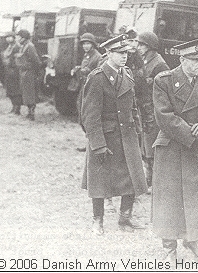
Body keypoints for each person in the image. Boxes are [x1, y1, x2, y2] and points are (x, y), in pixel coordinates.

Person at [152, 38, 198, 262]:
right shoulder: (163, 80)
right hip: (173, 147)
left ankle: (193, 240)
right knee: (170, 198)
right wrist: (191, 134)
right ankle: (169, 247)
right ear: (182, 59)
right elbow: (164, 117)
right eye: (195, 60)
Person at [81, 34, 148, 235]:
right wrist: (98, 143)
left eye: (126, 53)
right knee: (100, 180)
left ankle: (125, 218)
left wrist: (137, 129)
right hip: (106, 136)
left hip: (127, 135)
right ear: (108, 53)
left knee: (132, 176)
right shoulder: (97, 77)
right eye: (119, 53)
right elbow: (90, 115)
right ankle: (98, 221)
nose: (124, 56)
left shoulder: (127, 74)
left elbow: (133, 106)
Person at [136, 31, 169, 189]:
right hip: (145, 108)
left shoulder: (160, 64)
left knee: (152, 147)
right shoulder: (146, 61)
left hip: (154, 110)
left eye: (142, 45)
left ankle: (157, 183)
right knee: (145, 146)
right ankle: (149, 179)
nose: (139, 47)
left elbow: (163, 90)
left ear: (150, 47)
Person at [72, 33, 102, 126]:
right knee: (80, 104)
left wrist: (84, 70)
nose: (85, 46)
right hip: (84, 84)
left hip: (92, 86)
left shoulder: (97, 56)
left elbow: (98, 71)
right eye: (84, 44)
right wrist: (78, 68)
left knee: (88, 108)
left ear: (93, 44)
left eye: (88, 43)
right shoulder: (87, 55)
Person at [14, 29, 42, 121]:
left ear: (23, 37)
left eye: (19, 37)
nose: (17, 38)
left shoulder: (30, 46)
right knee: (26, 93)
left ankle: (31, 113)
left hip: (29, 73)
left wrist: (36, 72)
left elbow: (36, 60)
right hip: (24, 72)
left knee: (30, 93)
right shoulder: (24, 46)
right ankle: (29, 112)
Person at [0, 31, 22, 114]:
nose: (8, 38)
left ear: (13, 37)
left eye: (10, 37)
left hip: (15, 71)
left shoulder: (17, 46)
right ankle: (14, 107)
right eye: (7, 37)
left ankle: (17, 109)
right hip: (8, 71)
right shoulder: (9, 46)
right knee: (10, 90)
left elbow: (17, 59)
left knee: (16, 90)